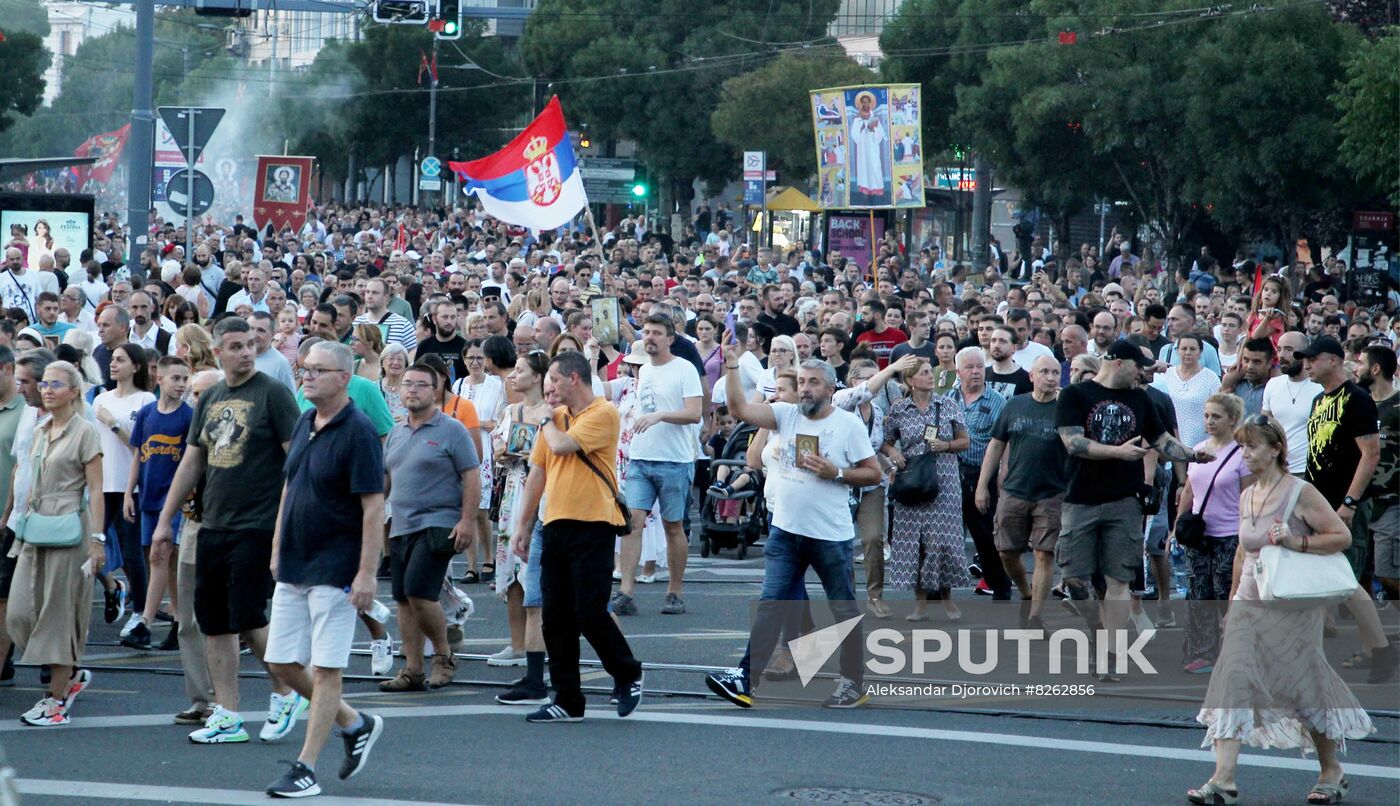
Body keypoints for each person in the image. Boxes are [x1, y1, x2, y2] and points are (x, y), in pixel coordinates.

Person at [1190, 416, 1373, 806]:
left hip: (1290, 605)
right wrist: (1231, 603)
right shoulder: (1247, 494)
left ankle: (1331, 771)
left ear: (1275, 449)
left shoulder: (1300, 492)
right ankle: (1223, 780)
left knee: (1303, 685)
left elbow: (1341, 536)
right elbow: (1243, 551)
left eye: (1252, 446)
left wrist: (1295, 541)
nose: (1246, 454)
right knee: (1232, 680)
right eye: (1242, 446)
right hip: (1248, 603)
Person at [150, 316, 305, 744]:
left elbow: (296, 464)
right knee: (213, 623)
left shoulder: (273, 395)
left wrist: (285, 524)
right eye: (235, 346)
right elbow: (193, 461)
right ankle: (228, 714)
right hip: (212, 523)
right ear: (218, 351)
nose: (245, 351)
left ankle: (288, 688)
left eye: (250, 344)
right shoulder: (211, 396)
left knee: (249, 618)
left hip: (257, 524)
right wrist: (166, 521)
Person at [706, 347, 882, 708]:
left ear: (830, 389)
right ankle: (745, 678)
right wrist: (733, 364)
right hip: (785, 531)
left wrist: (837, 472)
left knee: (842, 608)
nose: (804, 388)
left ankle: (853, 682)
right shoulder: (786, 415)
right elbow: (739, 409)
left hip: (829, 536)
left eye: (813, 383)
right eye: (801, 382)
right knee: (772, 604)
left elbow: (873, 472)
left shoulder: (846, 425)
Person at [263, 341, 386, 798]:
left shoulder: (358, 432)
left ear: (343, 378)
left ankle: (305, 767)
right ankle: (355, 723)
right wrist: (277, 546)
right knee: (280, 662)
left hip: (336, 566)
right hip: (295, 561)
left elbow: (373, 506)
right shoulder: (304, 420)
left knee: (328, 667)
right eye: (304, 368)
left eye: (318, 370)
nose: (307, 376)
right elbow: (290, 487)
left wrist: (367, 573)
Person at [1055, 340, 1213, 680]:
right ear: (1116, 362)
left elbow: (1161, 441)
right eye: (1138, 366)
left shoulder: (1141, 398)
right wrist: (1117, 453)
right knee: (1074, 579)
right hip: (1081, 498)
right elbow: (1072, 442)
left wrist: (1193, 455)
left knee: (1118, 579)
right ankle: (1097, 628)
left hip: (1124, 501)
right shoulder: (1075, 395)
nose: (1143, 373)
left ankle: (1109, 655)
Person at [508, 351, 644, 722]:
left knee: (588, 610)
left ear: (573, 379)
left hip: (593, 524)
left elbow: (563, 446)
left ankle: (628, 672)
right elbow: (538, 472)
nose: (547, 387)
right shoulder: (555, 418)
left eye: (552, 379)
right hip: (555, 523)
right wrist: (522, 526)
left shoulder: (603, 413)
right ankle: (568, 699)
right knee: (555, 617)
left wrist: (542, 419)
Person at [6, 360, 104, 726]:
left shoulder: (85, 432)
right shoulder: (40, 428)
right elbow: (27, 478)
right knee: (20, 613)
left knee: (59, 615)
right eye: (44, 383)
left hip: (69, 529)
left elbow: (95, 489)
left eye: (56, 385)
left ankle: (56, 701)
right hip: (34, 527)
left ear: (74, 392)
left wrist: (97, 540)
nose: (46, 389)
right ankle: (72, 677)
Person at [1297, 335, 1395, 682]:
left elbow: (1371, 454)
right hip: (1319, 503)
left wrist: (1350, 503)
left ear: (1334, 360)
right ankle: (1375, 649)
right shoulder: (1318, 400)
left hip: (1343, 504)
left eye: (1312, 358)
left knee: (1344, 580)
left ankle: (1380, 649)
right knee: (1333, 581)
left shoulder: (1357, 399)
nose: (1306, 364)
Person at [380, 361, 480, 693]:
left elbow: (471, 476)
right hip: (401, 525)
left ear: (435, 390)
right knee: (404, 600)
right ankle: (413, 669)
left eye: (421, 384)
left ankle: (443, 656)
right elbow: (386, 480)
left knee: (420, 592)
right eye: (407, 384)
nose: (412, 390)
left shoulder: (451, 430)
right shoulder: (396, 432)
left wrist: (466, 521)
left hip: (438, 523)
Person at [612, 313, 703, 616]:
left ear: (670, 338)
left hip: (674, 460)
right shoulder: (644, 371)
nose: (649, 337)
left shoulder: (684, 369)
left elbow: (694, 413)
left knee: (673, 526)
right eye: (646, 332)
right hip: (640, 458)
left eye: (656, 333)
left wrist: (660, 415)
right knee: (632, 523)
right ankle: (626, 591)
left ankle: (674, 591)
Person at [978, 354, 1068, 629]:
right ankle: (1026, 593)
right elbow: (995, 445)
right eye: (1045, 372)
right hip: (1015, 489)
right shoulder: (1015, 405)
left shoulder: (1065, 408)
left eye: (1055, 373)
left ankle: (1035, 617)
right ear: (1032, 376)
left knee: (1043, 553)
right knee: (1006, 551)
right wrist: (983, 485)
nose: (1051, 377)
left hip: (1052, 492)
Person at [487, 352, 552, 703]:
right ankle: (518, 646)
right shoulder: (511, 412)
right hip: (514, 489)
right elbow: (498, 443)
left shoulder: (550, 413)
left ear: (538, 377)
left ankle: (542, 653)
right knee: (512, 571)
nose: (513, 376)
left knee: (538, 580)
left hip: (539, 491)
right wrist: (501, 450)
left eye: (521, 371)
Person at [884, 358, 970, 620]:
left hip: (943, 480)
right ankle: (920, 604)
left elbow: (965, 441)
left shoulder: (948, 405)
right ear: (911, 380)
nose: (930, 377)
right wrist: (893, 455)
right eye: (923, 373)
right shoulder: (899, 409)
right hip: (912, 480)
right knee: (914, 545)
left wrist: (945, 446)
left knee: (942, 544)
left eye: (930, 373)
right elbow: (885, 442)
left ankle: (947, 599)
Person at [833, 354, 917, 618]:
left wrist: (889, 463)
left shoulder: (878, 411)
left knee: (873, 539)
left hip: (871, 482)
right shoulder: (841, 401)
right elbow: (863, 392)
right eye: (867, 378)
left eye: (876, 377)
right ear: (853, 380)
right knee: (840, 543)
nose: (874, 383)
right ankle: (845, 596)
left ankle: (874, 595)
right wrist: (891, 367)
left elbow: (875, 444)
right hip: (841, 482)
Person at [119, 355, 192, 650]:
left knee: (159, 556)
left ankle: (144, 622)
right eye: (175, 378)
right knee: (164, 561)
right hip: (148, 495)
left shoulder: (187, 416)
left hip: (172, 499)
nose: (181, 384)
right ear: (159, 379)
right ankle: (181, 622)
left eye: (185, 379)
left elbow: (190, 461)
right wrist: (128, 492)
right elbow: (138, 454)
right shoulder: (148, 413)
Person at [1176, 393, 1250, 675]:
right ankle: (1202, 652)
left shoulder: (1242, 454)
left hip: (1230, 534)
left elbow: (1248, 496)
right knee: (1198, 593)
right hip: (1199, 535)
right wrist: (1178, 525)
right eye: (1206, 415)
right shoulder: (1198, 450)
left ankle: (1235, 651)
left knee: (1225, 593)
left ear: (1232, 420)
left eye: (1216, 416)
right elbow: (1190, 491)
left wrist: (1248, 535)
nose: (1209, 421)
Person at [93, 343, 156, 634]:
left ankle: (139, 612)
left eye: (121, 360)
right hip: (101, 485)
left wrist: (114, 424)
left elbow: (142, 447)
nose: (113, 364)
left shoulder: (145, 401)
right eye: (113, 360)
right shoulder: (100, 399)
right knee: (90, 546)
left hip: (129, 486)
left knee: (132, 553)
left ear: (136, 366)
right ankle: (112, 587)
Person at [950, 346, 1011, 599]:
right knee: (945, 536)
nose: (975, 372)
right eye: (969, 367)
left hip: (979, 475)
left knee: (985, 536)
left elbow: (1004, 442)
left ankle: (1000, 585)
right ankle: (937, 592)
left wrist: (996, 477)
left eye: (979, 367)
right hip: (950, 475)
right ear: (958, 372)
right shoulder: (948, 399)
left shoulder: (996, 401)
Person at [451, 339, 504, 583]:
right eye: (470, 358)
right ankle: (471, 565)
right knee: (467, 509)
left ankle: (488, 559)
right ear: (464, 360)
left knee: (483, 511)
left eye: (479, 358)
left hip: (486, 448)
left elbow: (498, 421)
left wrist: (475, 423)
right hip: (463, 446)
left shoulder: (495, 385)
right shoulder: (459, 385)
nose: (475, 362)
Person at [1360, 345, 1399, 606]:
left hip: (1391, 502)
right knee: (1359, 573)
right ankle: (1374, 641)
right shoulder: (1358, 402)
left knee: (1388, 574)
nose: (1355, 366)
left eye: (1360, 362)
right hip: (1360, 500)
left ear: (1375, 368)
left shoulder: (1397, 406)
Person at [1260, 331, 1322, 476]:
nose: (1281, 355)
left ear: (1304, 353)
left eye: (1289, 349)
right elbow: (1265, 427)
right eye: (1279, 349)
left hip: (1308, 471)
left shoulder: (1320, 388)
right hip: (1277, 469)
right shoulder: (1272, 385)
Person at [1152, 334, 1221, 449]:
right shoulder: (1167, 375)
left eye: (1193, 349)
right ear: (1177, 351)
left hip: (1200, 444)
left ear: (1200, 352)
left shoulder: (1211, 378)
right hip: (1170, 442)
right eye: (1184, 349)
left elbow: (1218, 408)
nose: (1188, 353)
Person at [1218, 337, 1276, 418]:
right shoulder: (1235, 386)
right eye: (1246, 360)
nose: (1249, 366)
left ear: (1269, 363)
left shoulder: (1274, 390)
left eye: (1256, 362)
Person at [249, 311, 296, 393]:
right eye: (250, 329)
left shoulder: (280, 364)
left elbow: (290, 399)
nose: (254, 334)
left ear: (273, 334)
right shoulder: (235, 357)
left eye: (261, 330)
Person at [985, 325, 1032, 399]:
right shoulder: (983, 374)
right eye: (993, 340)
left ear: (1014, 348)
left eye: (1002, 341)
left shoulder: (1026, 379)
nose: (996, 345)